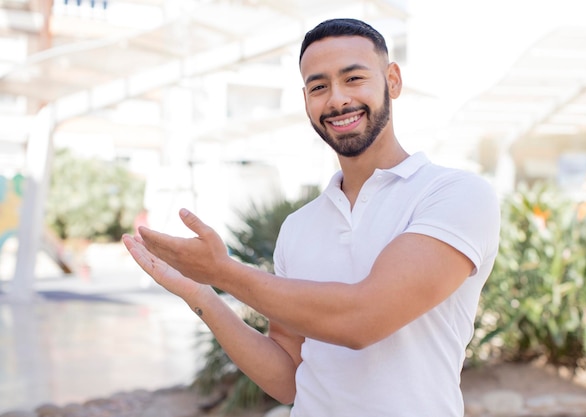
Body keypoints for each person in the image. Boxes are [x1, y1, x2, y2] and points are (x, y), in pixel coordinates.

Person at [122, 18, 501, 417]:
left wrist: (224, 273)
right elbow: (289, 378)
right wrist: (202, 295)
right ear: (306, 100)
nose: (337, 100)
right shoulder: (298, 227)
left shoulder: (453, 194)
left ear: (393, 81)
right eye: (319, 87)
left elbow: (364, 319)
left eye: (353, 79)